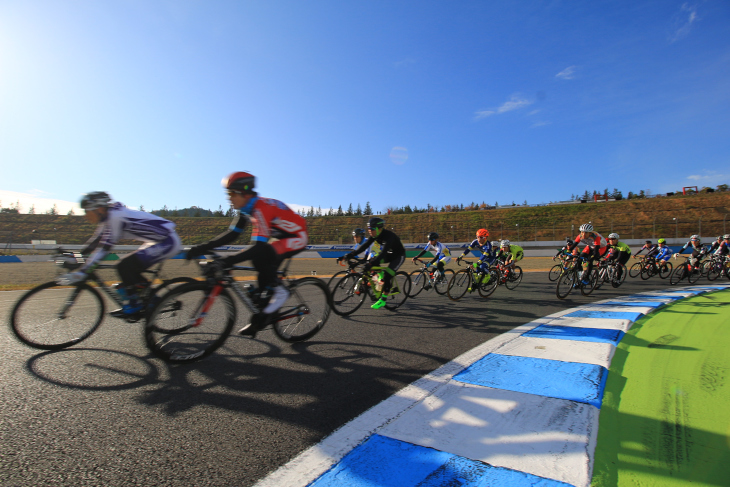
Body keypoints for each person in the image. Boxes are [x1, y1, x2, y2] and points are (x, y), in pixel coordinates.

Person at [186, 171, 308, 335]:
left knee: (261, 256)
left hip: (297, 235)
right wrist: (201, 248)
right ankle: (262, 316)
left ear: (244, 193)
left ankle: (281, 292)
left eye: (231, 194)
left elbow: (258, 246)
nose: (228, 198)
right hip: (281, 236)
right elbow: (232, 235)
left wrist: (229, 261)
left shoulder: (260, 209)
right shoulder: (246, 209)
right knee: (263, 280)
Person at [57, 192, 182, 317]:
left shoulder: (116, 217)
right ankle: (147, 298)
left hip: (168, 241)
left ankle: (142, 302)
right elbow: (95, 242)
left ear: (99, 209)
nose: (86, 215)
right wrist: (77, 256)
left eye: (87, 211)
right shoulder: (107, 218)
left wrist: (83, 272)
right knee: (127, 268)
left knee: (124, 266)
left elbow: (104, 248)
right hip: (156, 241)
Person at [338, 217, 405, 310]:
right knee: (371, 263)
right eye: (369, 228)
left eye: (372, 229)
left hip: (398, 256)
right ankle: (377, 281)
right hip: (389, 254)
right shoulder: (374, 235)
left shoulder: (389, 236)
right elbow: (364, 246)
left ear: (379, 228)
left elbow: (383, 253)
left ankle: (383, 299)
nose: (370, 231)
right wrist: (349, 255)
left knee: (387, 275)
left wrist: (371, 263)